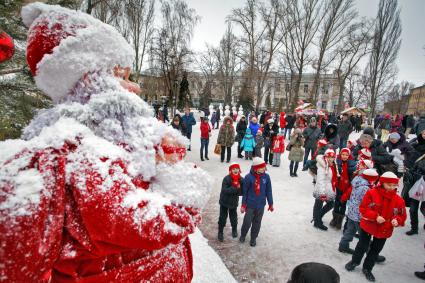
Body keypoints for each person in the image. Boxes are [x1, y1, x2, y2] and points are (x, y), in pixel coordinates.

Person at [0, 4, 211, 281]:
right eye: (121, 76)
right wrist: (184, 181)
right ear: (88, 80)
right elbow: (150, 222)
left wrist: (163, 158)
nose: (134, 87)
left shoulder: (120, 142)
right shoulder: (75, 153)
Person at [345, 172, 407, 282]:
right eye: (389, 184)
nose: (391, 187)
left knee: (375, 250)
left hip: (384, 229)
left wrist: (397, 220)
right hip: (368, 226)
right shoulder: (371, 193)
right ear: (382, 183)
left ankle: (367, 268)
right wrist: (375, 216)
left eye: (394, 185)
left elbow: (401, 215)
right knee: (362, 245)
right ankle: (355, 261)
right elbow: (364, 208)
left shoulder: (399, 200)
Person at [339, 168, 379, 254]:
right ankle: (370, 252)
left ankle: (343, 246)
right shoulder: (366, 188)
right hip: (360, 215)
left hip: (352, 212)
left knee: (350, 231)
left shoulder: (358, 182)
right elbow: (366, 202)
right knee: (365, 235)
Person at [240, 158, 274, 247]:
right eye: (261, 167)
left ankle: (253, 238)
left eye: (264, 167)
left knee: (257, 222)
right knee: (247, 222)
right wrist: (243, 204)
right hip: (250, 205)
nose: (263, 169)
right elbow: (245, 192)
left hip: (261, 205)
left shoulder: (266, 177)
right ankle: (243, 234)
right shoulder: (248, 177)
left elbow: (268, 191)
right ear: (255, 168)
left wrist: (270, 203)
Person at [404, 129, 425, 235]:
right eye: (424, 133)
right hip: (414, 178)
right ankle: (414, 228)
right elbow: (406, 151)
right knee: (413, 207)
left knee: (424, 208)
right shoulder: (415, 142)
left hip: (423, 179)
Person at [330, 148, 357, 230]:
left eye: (346, 155)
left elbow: (352, 175)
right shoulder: (337, 162)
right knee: (337, 202)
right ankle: (334, 219)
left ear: (349, 156)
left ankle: (339, 221)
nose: (344, 156)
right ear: (340, 155)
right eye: (343, 154)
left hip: (347, 187)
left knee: (343, 203)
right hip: (338, 185)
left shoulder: (352, 164)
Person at [312, 149, 338, 231]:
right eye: (329, 157)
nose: (331, 159)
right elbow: (320, 181)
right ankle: (317, 222)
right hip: (321, 189)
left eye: (332, 157)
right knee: (318, 204)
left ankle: (317, 217)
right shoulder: (322, 167)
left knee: (330, 204)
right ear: (325, 157)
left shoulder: (331, 165)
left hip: (328, 188)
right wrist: (322, 193)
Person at [218, 163, 244, 242]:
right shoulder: (227, 179)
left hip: (233, 203)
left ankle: (234, 230)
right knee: (222, 217)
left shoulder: (241, 179)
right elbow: (224, 190)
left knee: (233, 218)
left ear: (239, 170)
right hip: (224, 202)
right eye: (233, 169)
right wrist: (235, 187)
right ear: (230, 171)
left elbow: (242, 193)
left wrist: (239, 189)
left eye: (237, 168)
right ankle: (220, 231)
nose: (235, 170)